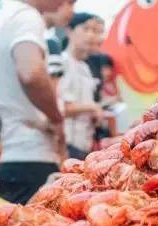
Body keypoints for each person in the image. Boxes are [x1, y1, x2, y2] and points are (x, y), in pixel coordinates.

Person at [0, 0, 67, 205]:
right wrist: (57, 119)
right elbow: (31, 74)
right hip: (27, 154)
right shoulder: (26, 16)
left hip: (9, 151)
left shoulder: (2, 17)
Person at [60, 13, 103, 160]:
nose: (91, 35)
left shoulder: (84, 67)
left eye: (95, 31)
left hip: (84, 144)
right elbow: (62, 108)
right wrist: (93, 108)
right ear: (69, 31)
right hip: (67, 146)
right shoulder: (63, 63)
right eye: (86, 29)